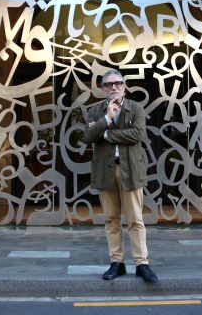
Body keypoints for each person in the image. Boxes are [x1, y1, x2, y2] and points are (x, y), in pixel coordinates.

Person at [83, 69, 158, 283]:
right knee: (111, 219)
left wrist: (105, 133)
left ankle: (142, 264)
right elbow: (88, 136)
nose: (113, 87)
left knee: (135, 219)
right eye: (108, 84)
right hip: (105, 171)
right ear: (102, 88)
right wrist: (106, 118)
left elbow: (138, 134)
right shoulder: (96, 111)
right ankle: (117, 263)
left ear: (124, 86)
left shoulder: (135, 108)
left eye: (118, 83)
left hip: (130, 170)